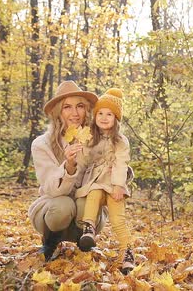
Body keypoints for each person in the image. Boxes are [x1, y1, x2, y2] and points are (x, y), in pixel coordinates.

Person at [27, 81, 105, 262]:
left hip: (85, 212)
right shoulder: (42, 144)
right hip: (53, 211)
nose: (75, 113)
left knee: (86, 203)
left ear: (87, 110)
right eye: (67, 107)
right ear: (58, 113)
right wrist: (69, 166)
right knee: (63, 206)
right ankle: (50, 242)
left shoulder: (98, 139)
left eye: (80, 106)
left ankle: (84, 242)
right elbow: (52, 189)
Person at [72, 88, 136, 274]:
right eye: (100, 113)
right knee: (93, 193)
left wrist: (118, 185)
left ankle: (127, 254)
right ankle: (89, 228)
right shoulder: (90, 137)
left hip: (114, 184)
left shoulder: (120, 141)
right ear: (95, 116)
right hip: (95, 182)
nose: (104, 117)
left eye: (109, 114)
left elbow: (121, 162)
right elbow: (84, 162)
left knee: (118, 220)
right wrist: (79, 151)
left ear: (116, 118)